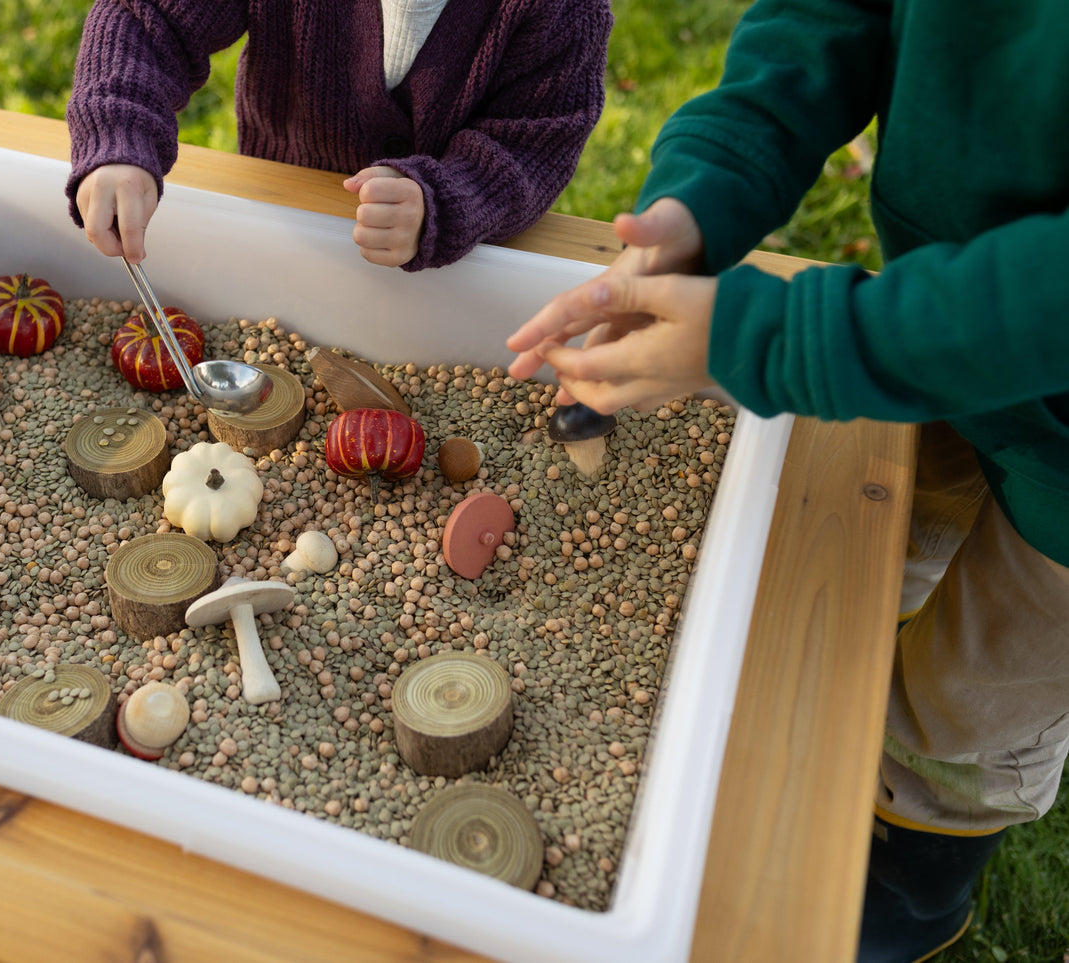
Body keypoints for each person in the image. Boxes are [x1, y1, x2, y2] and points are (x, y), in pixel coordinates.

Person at [505, 3, 1069, 961]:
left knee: (975, 694)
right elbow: (825, 18)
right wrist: (700, 195)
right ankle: (865, 725)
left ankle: (920, 875)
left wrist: (780, 340)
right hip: (923, 328)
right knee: (890, 551)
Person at [64, 0, 612, 272]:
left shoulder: (564, 9)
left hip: (458, 263)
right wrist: (118, 132)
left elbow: (535, 138)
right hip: (285, 215)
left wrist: (443, 201)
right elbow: (146, 17)